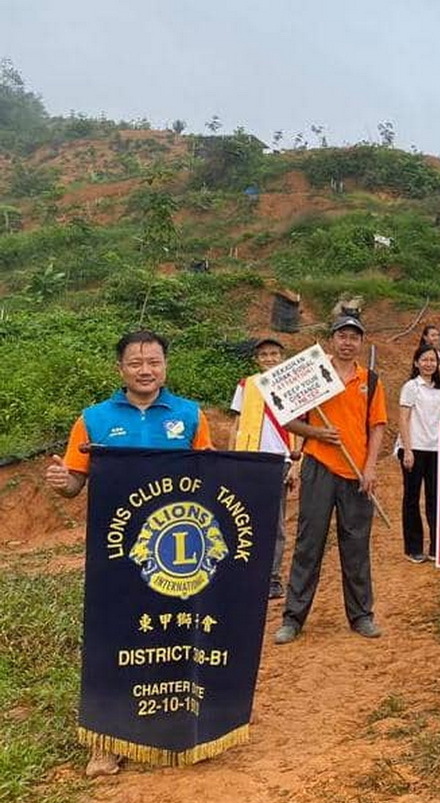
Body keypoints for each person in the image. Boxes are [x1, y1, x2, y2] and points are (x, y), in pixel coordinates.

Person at [45, 329, 215, 777]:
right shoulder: (93, 419)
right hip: (116, 553)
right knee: (113, 641)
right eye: (136, 363)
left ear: (165, 366)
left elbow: (212, 476)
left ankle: (178, 731)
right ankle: (106, 742)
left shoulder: (190, 416)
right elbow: (75, 483)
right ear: (120, 368)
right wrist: (64, 483)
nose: (146, 370)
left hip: (177, 552)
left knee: (176, 637)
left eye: (154, 362)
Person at [275, 316, 387, 645]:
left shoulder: (371, 380)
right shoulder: (313, 374)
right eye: (342, 336)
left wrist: (371, 467)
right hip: (319, 467)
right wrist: (317, 433)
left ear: (360, 342)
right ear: (332, 339)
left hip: (356, 473)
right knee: (309, 544)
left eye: (354, 337)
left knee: (356, 546)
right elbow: (288, 418)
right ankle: (293, 617)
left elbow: (377, 426)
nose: (347, 342)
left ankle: (362, 615)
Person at [229, 335, 299, 600]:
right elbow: (237, 424)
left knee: (275, 523)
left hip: (280, 461)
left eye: (274, 354)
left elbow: (301, 426)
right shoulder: (246, 385)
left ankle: (272, 577)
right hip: (249, 460)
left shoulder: (292, 384)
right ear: (256, 359)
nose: (269, 358)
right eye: (264, 355)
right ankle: (246, 573)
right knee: (243, 518)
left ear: (282, 357)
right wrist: (231, 458)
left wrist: (296, 463)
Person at [398, 343, 440, 563]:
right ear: (416, 363)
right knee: (411, 497)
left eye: (433, 360)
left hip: (436, 448)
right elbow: (403, 418)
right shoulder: (411, 387)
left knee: (435, 498)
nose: (429, 364)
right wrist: (407, 450)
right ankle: (413, 548)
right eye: (425, 360)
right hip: (414, 448)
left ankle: (437, 547)